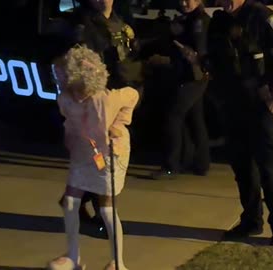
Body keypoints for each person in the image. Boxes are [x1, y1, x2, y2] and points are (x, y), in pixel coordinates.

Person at [207, 0, 273, 245]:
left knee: (270, 169)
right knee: (242, 168)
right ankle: (251, 221)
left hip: (261, 105)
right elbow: (216, 61)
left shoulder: (262, 16)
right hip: (233, 105)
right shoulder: (218, 22)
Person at [49, 45, 138, 270]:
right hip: (83, 151)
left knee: (106, 206)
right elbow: (70, 122)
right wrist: (70, 140)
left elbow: (132, 95)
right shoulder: (65, 99)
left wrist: (118, 124)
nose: (78, 94)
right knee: (70, 201)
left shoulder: (105, 99)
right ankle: (72, 257)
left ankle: (118, 262)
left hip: (110, 152)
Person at [57, 0, 144, 229]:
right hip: (97, 97)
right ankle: (102, 216)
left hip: (119, 91)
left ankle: (75, 200)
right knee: (100, 156)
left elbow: (128, 51)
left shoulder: (119, 20)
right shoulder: (83, 22)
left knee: (106, 157)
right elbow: (79, 61)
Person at [151, 0, 211, 179]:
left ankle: (171, 166)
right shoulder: (189, 19)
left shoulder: (199, 20)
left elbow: (196, 51)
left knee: (173, 116)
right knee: (195, 119)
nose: (184, 2)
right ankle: (200, 164)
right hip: (194, 76)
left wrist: (167, 59)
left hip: (192, 77)